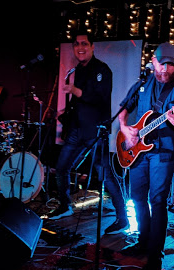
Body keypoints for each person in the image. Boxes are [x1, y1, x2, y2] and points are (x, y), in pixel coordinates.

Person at [117, 42, 174, 270]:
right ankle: (142, 241)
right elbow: (123, 108)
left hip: (165, 151)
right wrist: (124, 127)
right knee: (137, 197)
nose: (166, 69)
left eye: (171, 65)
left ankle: (155, 257)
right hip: (139, 150)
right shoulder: (142, 84)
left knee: (158, 200)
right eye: (162, 64)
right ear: (153, 60)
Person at [50, 30, 129, 236]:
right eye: (76, 44)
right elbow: (79, 102)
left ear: (93, 47)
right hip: (77, 129)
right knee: (61, 168)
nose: (80, 47)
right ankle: (65, 205)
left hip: (95, 132)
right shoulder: (78, 69)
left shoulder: (103, 70)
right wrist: (65, 113)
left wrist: (75, 91)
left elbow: (100, 98)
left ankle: (123, 219)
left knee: (106, 177)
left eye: (84, 43)